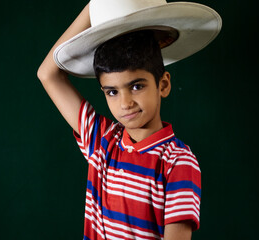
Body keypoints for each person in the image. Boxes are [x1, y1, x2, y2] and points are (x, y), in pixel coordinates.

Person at [37, 1, 221, 239]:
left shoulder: (177, 162)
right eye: (112, 92)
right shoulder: (102, 141)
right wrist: (96, 5)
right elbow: (47, 73)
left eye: (136, 86)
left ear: (163, 84)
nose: (125, 103)